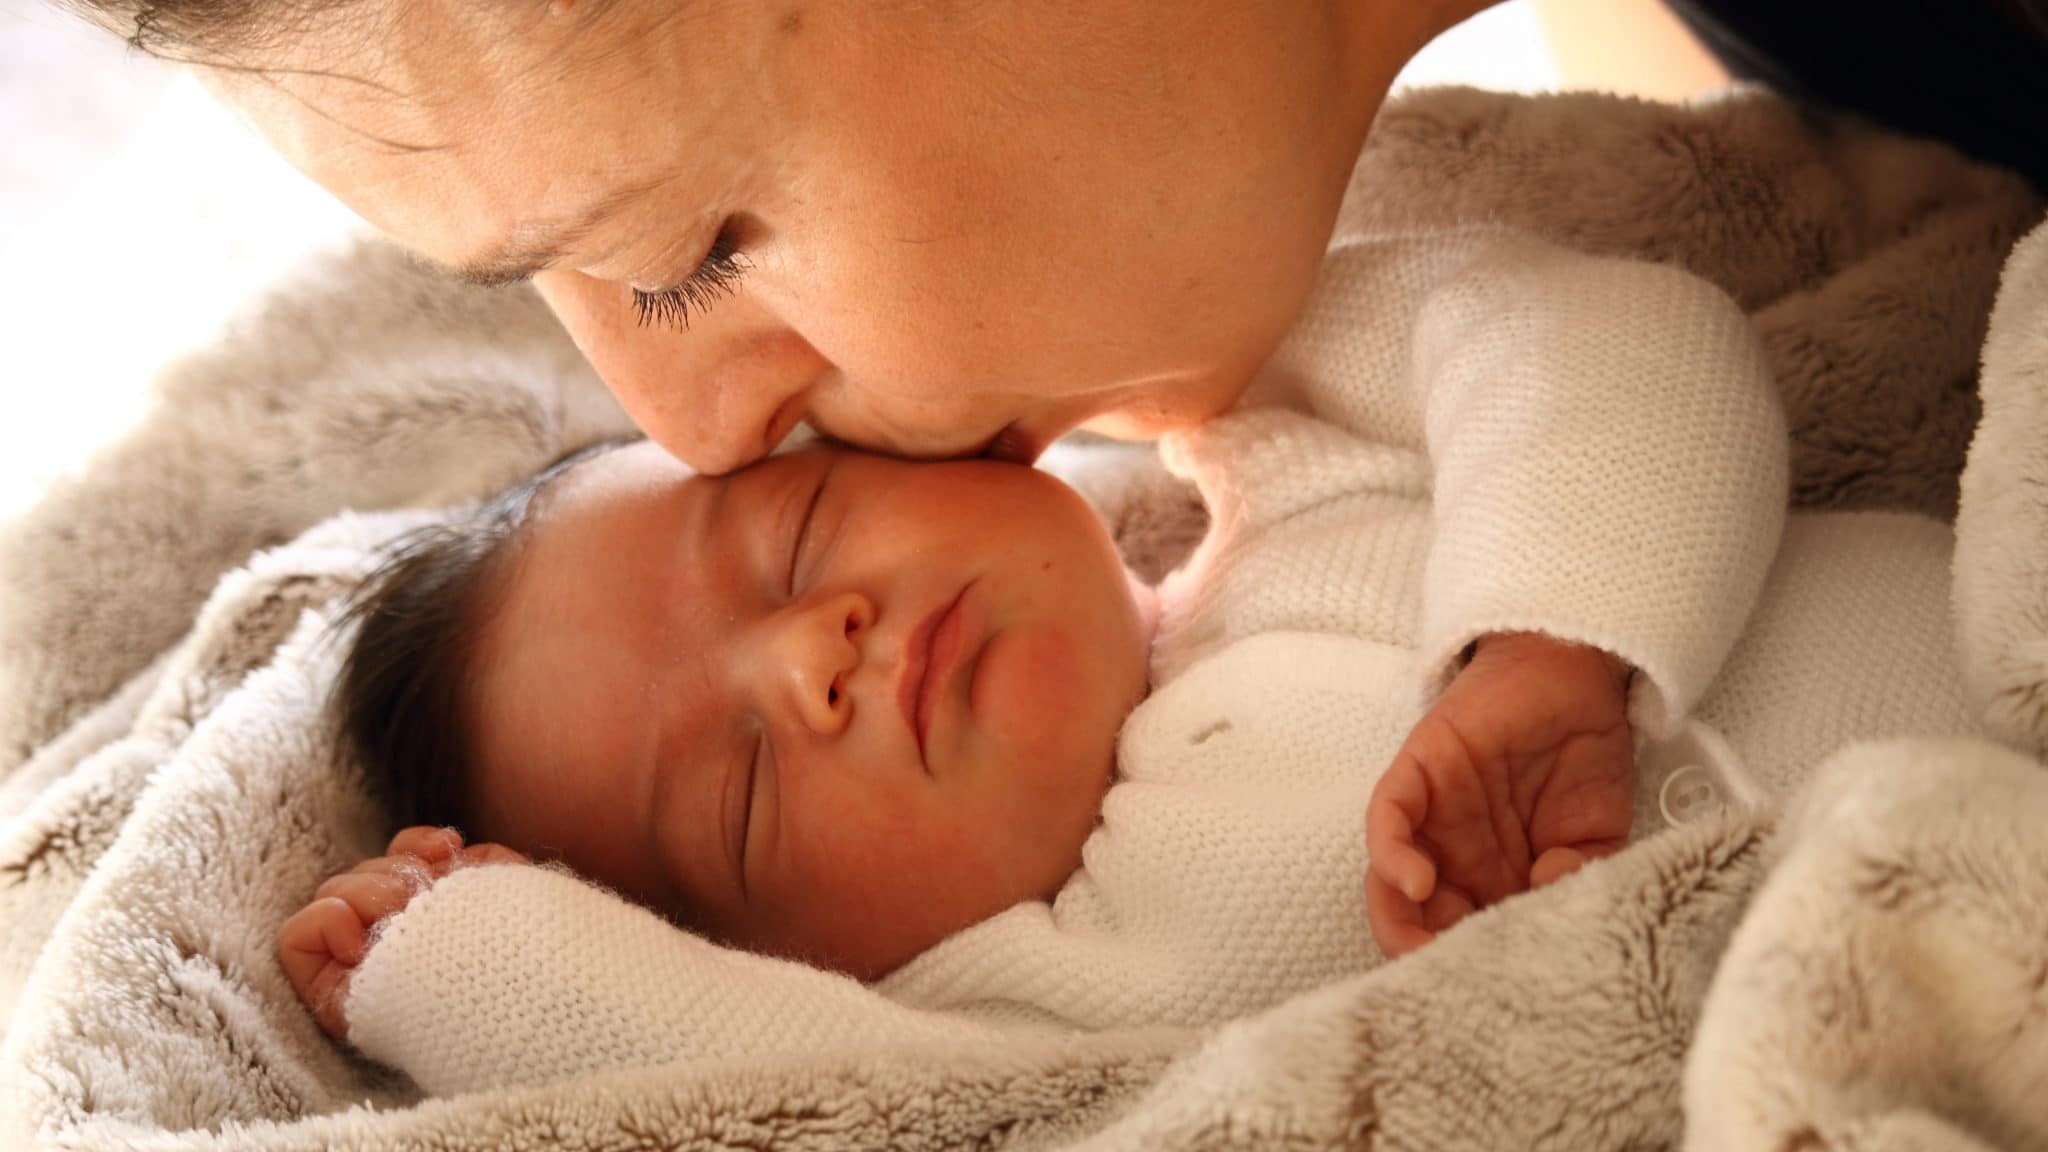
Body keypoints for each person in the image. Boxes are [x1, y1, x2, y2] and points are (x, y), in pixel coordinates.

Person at [277, 230, 1975, 1079]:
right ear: (814, 965)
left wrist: (1550, 650)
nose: (812, 664)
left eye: (792, 544)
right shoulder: (1039, 1000)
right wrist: (471, 964)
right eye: (735, 794)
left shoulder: (1277, 429)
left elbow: (1613, 333)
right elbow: (799, 1096)